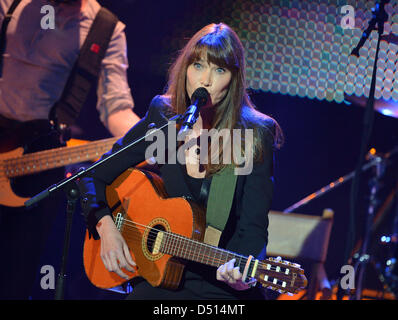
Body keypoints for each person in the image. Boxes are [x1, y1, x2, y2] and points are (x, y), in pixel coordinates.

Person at [80, 22, 283, 300]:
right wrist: (106, 228)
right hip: (159, 274)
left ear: (233, 79)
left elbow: (254, 228)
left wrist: (243, 274)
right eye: (198, 66)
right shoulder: (165, 118)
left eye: (219, 70)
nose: (205, 80)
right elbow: (93, 175)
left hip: (218, 284)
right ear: (185, 69)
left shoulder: (253, 135)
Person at [0, 0, 140, 299]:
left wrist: (155, 136)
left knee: (15, 278)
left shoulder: (106, 27)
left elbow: (116, 108)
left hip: (39, 165)